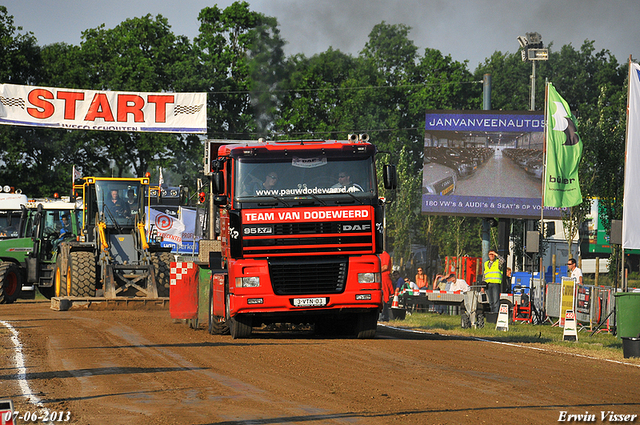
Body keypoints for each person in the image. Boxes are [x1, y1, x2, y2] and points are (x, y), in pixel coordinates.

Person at [483, 249, 504, 313]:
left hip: (495, 284)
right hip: (488, 284)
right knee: (490, 301)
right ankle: (492, 313)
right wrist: (483, 285)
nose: (491, 256)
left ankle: (495, 314)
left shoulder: (498, 262)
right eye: (490, 254)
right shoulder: (486, 263)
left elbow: (503, 260)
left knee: (496, 301)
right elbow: (484, 275)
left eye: (493, 254)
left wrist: (496, 254)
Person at [379, 251, 394, 321]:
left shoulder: (385, 255)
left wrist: (376, 270)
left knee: (385, 296)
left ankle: (384, 316)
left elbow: (385, 266)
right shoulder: (380, 255)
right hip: (381, 276)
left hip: (384, 277)